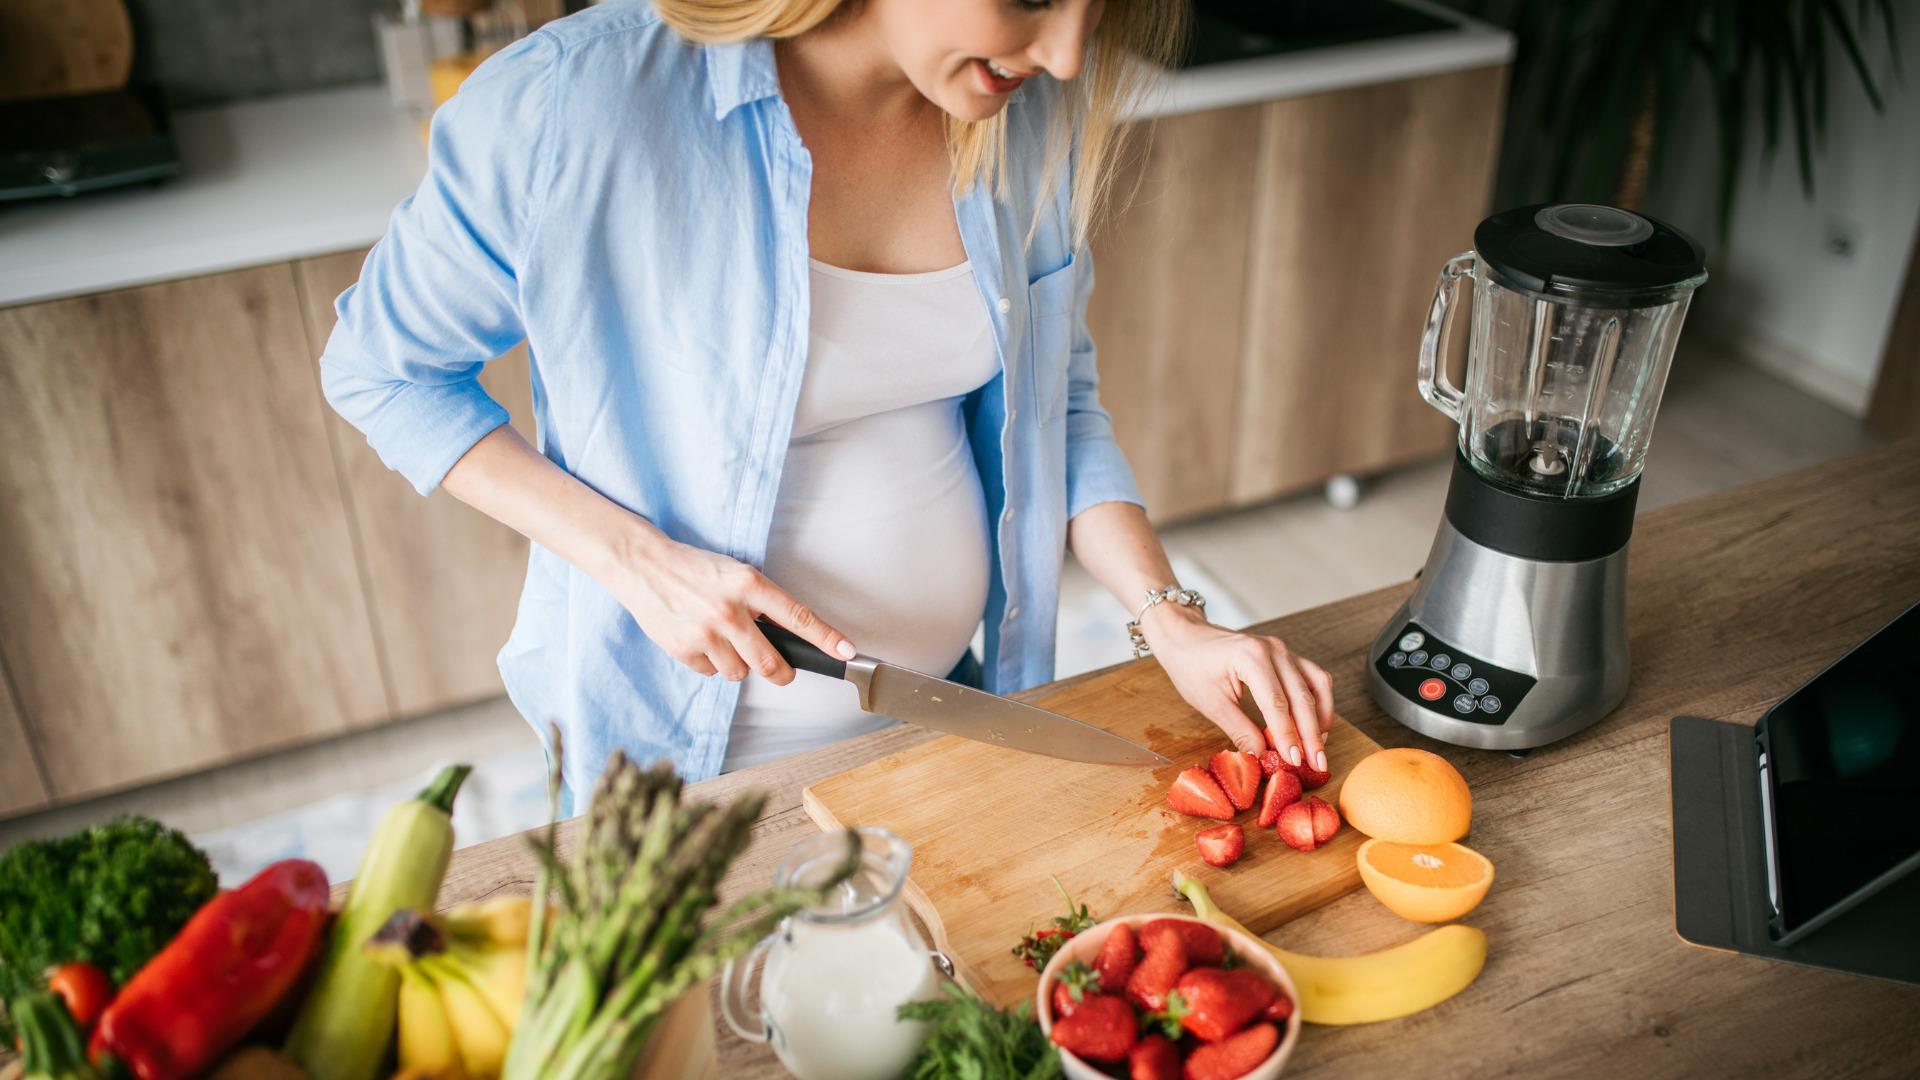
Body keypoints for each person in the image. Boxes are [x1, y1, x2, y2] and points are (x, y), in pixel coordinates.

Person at [319, 0, 1336, 803]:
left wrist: (1170, 616)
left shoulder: (1025, 112)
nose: (1068, 54)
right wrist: (643, 565)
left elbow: (1056, 405)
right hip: (687, 764)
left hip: (950, 716)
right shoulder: (574, 103)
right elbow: (383, 370)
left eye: (1095, 6)